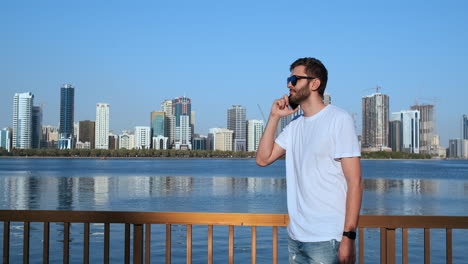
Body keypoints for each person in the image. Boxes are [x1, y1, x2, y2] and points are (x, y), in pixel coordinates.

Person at [256, 57, 362, 264]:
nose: (289, 84)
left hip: (327, 239)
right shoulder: (295, 126)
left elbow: (355, 182)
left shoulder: (338, 119)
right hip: (296, 237)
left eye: (295, 79)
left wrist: (348, 237)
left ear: (315, 84)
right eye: (289, 78)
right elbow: (263, 159)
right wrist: (274, 117)